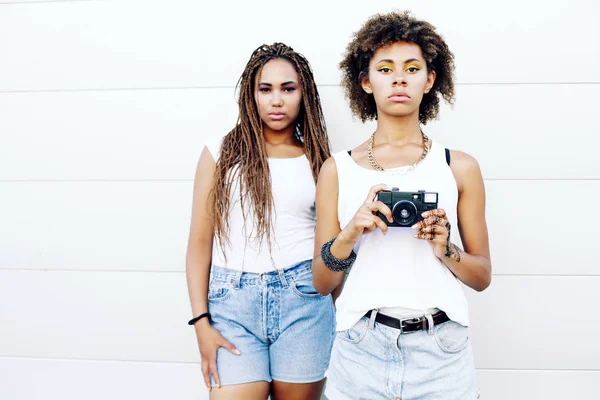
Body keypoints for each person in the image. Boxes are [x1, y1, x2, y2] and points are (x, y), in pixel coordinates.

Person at [313, 11, 491, 400]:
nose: (399, 78)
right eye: (385, 68)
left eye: (412, 68)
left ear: (430, 80)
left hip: (442, 352)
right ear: (365, 80)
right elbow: (322, 282)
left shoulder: (459, 166)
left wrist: (446, 248)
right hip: (360, 348)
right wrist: (350, 232)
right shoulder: (337, 170)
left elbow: (482, 276)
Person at [185, 42, 334, 400]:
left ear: (305, 94)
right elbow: (199, 244)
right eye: (265, 89)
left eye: (288, 89)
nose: (276, 100)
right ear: (251, 95)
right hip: (231, 305)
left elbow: (331, 248)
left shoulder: (319, 160)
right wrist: (201, 323)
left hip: (304, 303)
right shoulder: (220, 152)